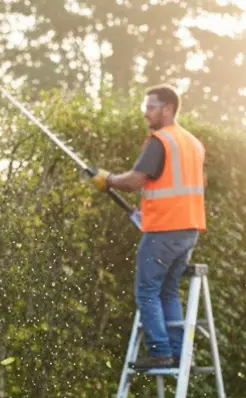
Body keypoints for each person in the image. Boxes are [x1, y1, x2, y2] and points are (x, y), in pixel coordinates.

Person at [88, 84, 206, 370]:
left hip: (164, 230)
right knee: (168, 291)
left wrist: (108, 179)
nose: (145, 113)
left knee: (147, 291)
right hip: (188, 229)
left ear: (168, 109)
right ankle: (178, 354)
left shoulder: (160, 140)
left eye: (151, 107)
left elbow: (134, 181)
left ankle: (160, 352)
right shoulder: (193, 143)